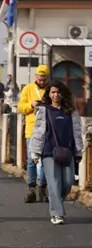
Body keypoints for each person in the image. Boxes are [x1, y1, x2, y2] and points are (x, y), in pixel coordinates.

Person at [29, 80, 83, 225]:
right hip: (49, 153)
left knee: (68, 182)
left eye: (58, 92)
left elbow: (77, 131)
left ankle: (56, 202)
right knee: (53, 182)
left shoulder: (71, 111)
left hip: (68, 152)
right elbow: (39, 132)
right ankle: (56, 213)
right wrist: (35, 153)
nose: (56, 95)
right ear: (49, 94)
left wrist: (78, 151)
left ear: (63, 94)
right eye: (52, 92)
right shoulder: (44, 110)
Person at [18, 64, 49, 202]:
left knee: (45, 160)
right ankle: (31, 189)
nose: (41, 81)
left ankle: (43, 187)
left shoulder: (51, 89)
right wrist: (31, 105)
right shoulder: (28, 89)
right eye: (40, 78)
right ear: (36, 76)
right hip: (32, 129)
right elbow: (20, 107)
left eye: (44, 79)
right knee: (31, 160)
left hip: (48, 129)